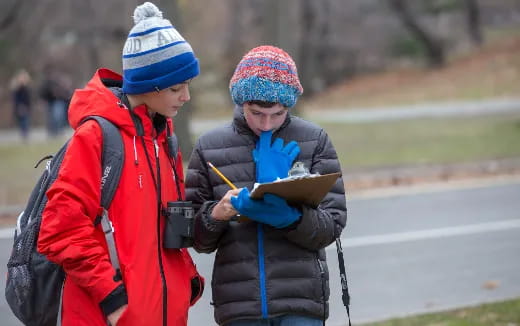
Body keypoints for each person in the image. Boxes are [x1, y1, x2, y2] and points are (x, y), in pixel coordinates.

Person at [37, 2, 204, 325]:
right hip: (107, 316)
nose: (186, 97)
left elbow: (166, 223)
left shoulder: (164, 136)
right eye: (175, 88)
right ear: (147, 85)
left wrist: (187, 276)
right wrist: (111, 296)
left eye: (188, 86)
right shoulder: (96, 137)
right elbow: (60, 230)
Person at [186, 45, 347, 326]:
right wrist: (216, 215)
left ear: (289, 105)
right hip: (239, 305)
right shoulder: (209, 147)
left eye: (277, 113)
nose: (267, 124)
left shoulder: (314, 140)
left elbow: (331, 226)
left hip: (301, 301)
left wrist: (289, 218)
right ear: (241, 102)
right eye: (256, 113)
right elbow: (197, 240)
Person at [9, 69, 32, 141]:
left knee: (26, 121)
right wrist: (19, 106)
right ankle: (24, 135)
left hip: (26, 107)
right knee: (23, 121)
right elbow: (16, 99)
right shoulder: (17, 88)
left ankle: (25, 134)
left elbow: (28, 98)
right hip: (20, 107)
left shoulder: (27, 87)